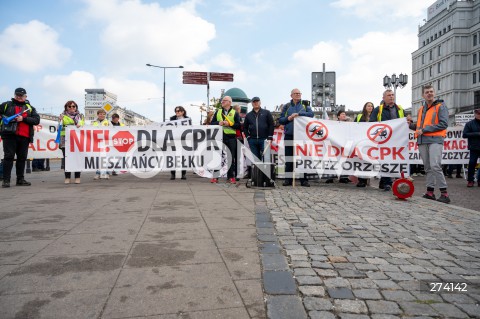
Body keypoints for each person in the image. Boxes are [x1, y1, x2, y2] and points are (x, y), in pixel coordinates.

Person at [409, 85, 450, 203]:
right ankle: (430, 192)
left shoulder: (441, 106)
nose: (429, 94)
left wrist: (424, 130)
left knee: (435, 166)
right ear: (423, 95)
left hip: (435, 140)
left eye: (431, 91)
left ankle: (444, 194)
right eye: (427, 92)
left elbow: (443, 124)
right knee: (427, 167)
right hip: (422, 140)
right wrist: (409, 124)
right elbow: (419, 127)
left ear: (434, 93)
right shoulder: (421, 109)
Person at [0, 88, 40, 188]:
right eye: (17, 95)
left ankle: (20, 179)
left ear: (25, 96)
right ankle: (6, 180)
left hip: (24, 137)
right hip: (9, 136)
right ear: (14, 95)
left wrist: (24, 119)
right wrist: (3, 117)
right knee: (8, 157)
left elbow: (36, 120)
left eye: (21, 95)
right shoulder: (6, 105)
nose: (19, 96)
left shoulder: (30, 107)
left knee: (22, 158)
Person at [369, 89, 406, 192]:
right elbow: (371, 123)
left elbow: (405, 123)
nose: (391, 97)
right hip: (383, 140)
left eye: (392, 95)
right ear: (383, 98)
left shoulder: (400, 109)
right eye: (389, 95)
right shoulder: (378, 110)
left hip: (397, 139)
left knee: (395, 160)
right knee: (384, 160)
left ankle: (391, 180)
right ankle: (387, 182)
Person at [278, 88, 314, 187]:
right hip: (289, 135)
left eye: (299, 93)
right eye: (296, 93)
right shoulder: (287, 106)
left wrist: (299, 114)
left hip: (302, 136)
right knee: (289, 158)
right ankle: (288, 179)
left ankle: (304, 180)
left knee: (302, 158)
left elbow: (311, 115)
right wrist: (288, 118)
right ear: (291, 95)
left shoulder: (305, 105)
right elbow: (281, 120)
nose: (298, 95)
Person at [210, 96, 241, 184]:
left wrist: (230, 124)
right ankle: (215, 177)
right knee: (217, 156)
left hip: (231, 137)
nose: (222, 102)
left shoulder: (235, 113)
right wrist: (218, 123)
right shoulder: (218, 111)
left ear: (229, 102)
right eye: (222, 100)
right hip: (219, 137)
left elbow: (238, 125)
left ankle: (230, 177)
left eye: (224, 100)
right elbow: (212, 123)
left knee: (231, 157)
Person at [243, 97, 275, 178]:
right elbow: (245, 127)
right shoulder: (249, 115)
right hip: (252, 140)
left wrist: (270, 136)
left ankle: (267, 177)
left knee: (266, 158)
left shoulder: (266, 113)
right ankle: (258, 178)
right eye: (254, 102)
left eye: (257, 101)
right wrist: (248, 137)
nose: (255, 103)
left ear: (260, 102)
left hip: (264, 139)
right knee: (256, 159)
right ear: (252, 103)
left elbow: (271, 124)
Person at [59, 100, 84, 184]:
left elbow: (83, 126)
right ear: (66, 107)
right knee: (66, 159)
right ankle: (67, 177)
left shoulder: (80, 116)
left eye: (73, 106)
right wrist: (60, 121)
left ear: (76, 107)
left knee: (77, 159)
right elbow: (59, 128)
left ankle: (77, 177)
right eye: (69, 106)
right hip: (65, 141)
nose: (72, 108)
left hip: (77, 141)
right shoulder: (62, 116)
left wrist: (80, 125)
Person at [354, 102, 374, 187]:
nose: (370, 107)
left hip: (371, 142)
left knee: (369, 161)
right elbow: (353, 127)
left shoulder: (375, 116)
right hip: (361, 141)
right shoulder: (359, 116)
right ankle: (361, 180)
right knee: (361, 160)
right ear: (365, 107)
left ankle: (367, 179)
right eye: (368, 106)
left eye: (371, 106)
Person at [170, 106, 189, 180]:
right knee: (173, 156)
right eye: (176, 111)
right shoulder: (172, 118)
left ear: (182, 112)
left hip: (184, 140)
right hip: (175, 140)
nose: (177, 112)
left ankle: (183, 174)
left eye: (178, 111)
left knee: (184, 157)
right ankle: (173, 174)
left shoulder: (187, 119)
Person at [463, 108, 480, 187]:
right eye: (478, 114)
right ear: (475, 114)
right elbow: (464, 134)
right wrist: (477, 134)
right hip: (474, 147)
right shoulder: (469, 124)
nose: (479, 115)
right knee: (472, 164)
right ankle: (470, 180)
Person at [92, 109, 110, 180]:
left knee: (105, 158)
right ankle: (98, 173)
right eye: (100, 114)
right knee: (97, 159)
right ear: (98, 115)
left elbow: (113, 130)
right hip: (96, 143)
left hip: (105, 143)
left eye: (103, 114)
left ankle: (106, 173)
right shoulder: (94, 123)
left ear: (105, 115)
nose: (102, 115)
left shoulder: (108, 122)